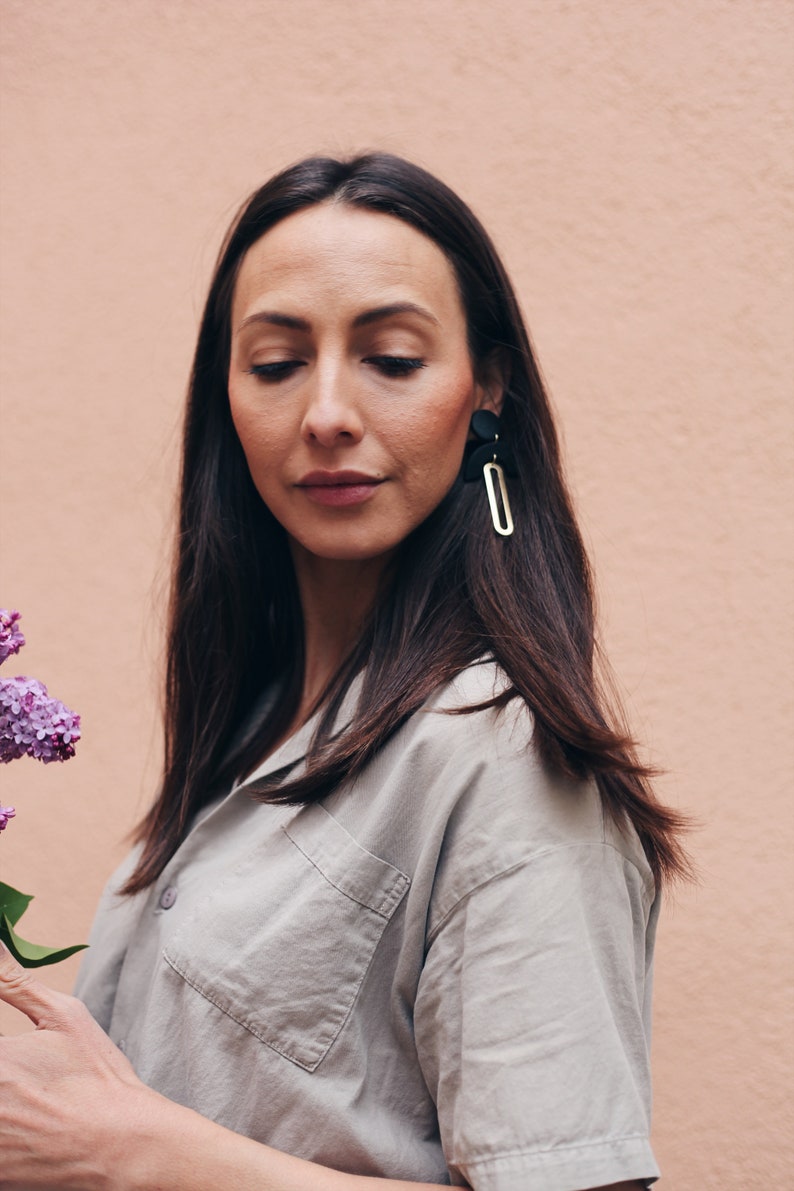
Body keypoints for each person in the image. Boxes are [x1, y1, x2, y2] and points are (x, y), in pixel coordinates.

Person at [0, 153, 688, 1190]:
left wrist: (121, 1148)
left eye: (393, 360)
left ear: (483, 389)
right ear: (226, 400)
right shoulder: (251, 734)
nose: (325, 412)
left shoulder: (503, 760)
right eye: (275, 365)